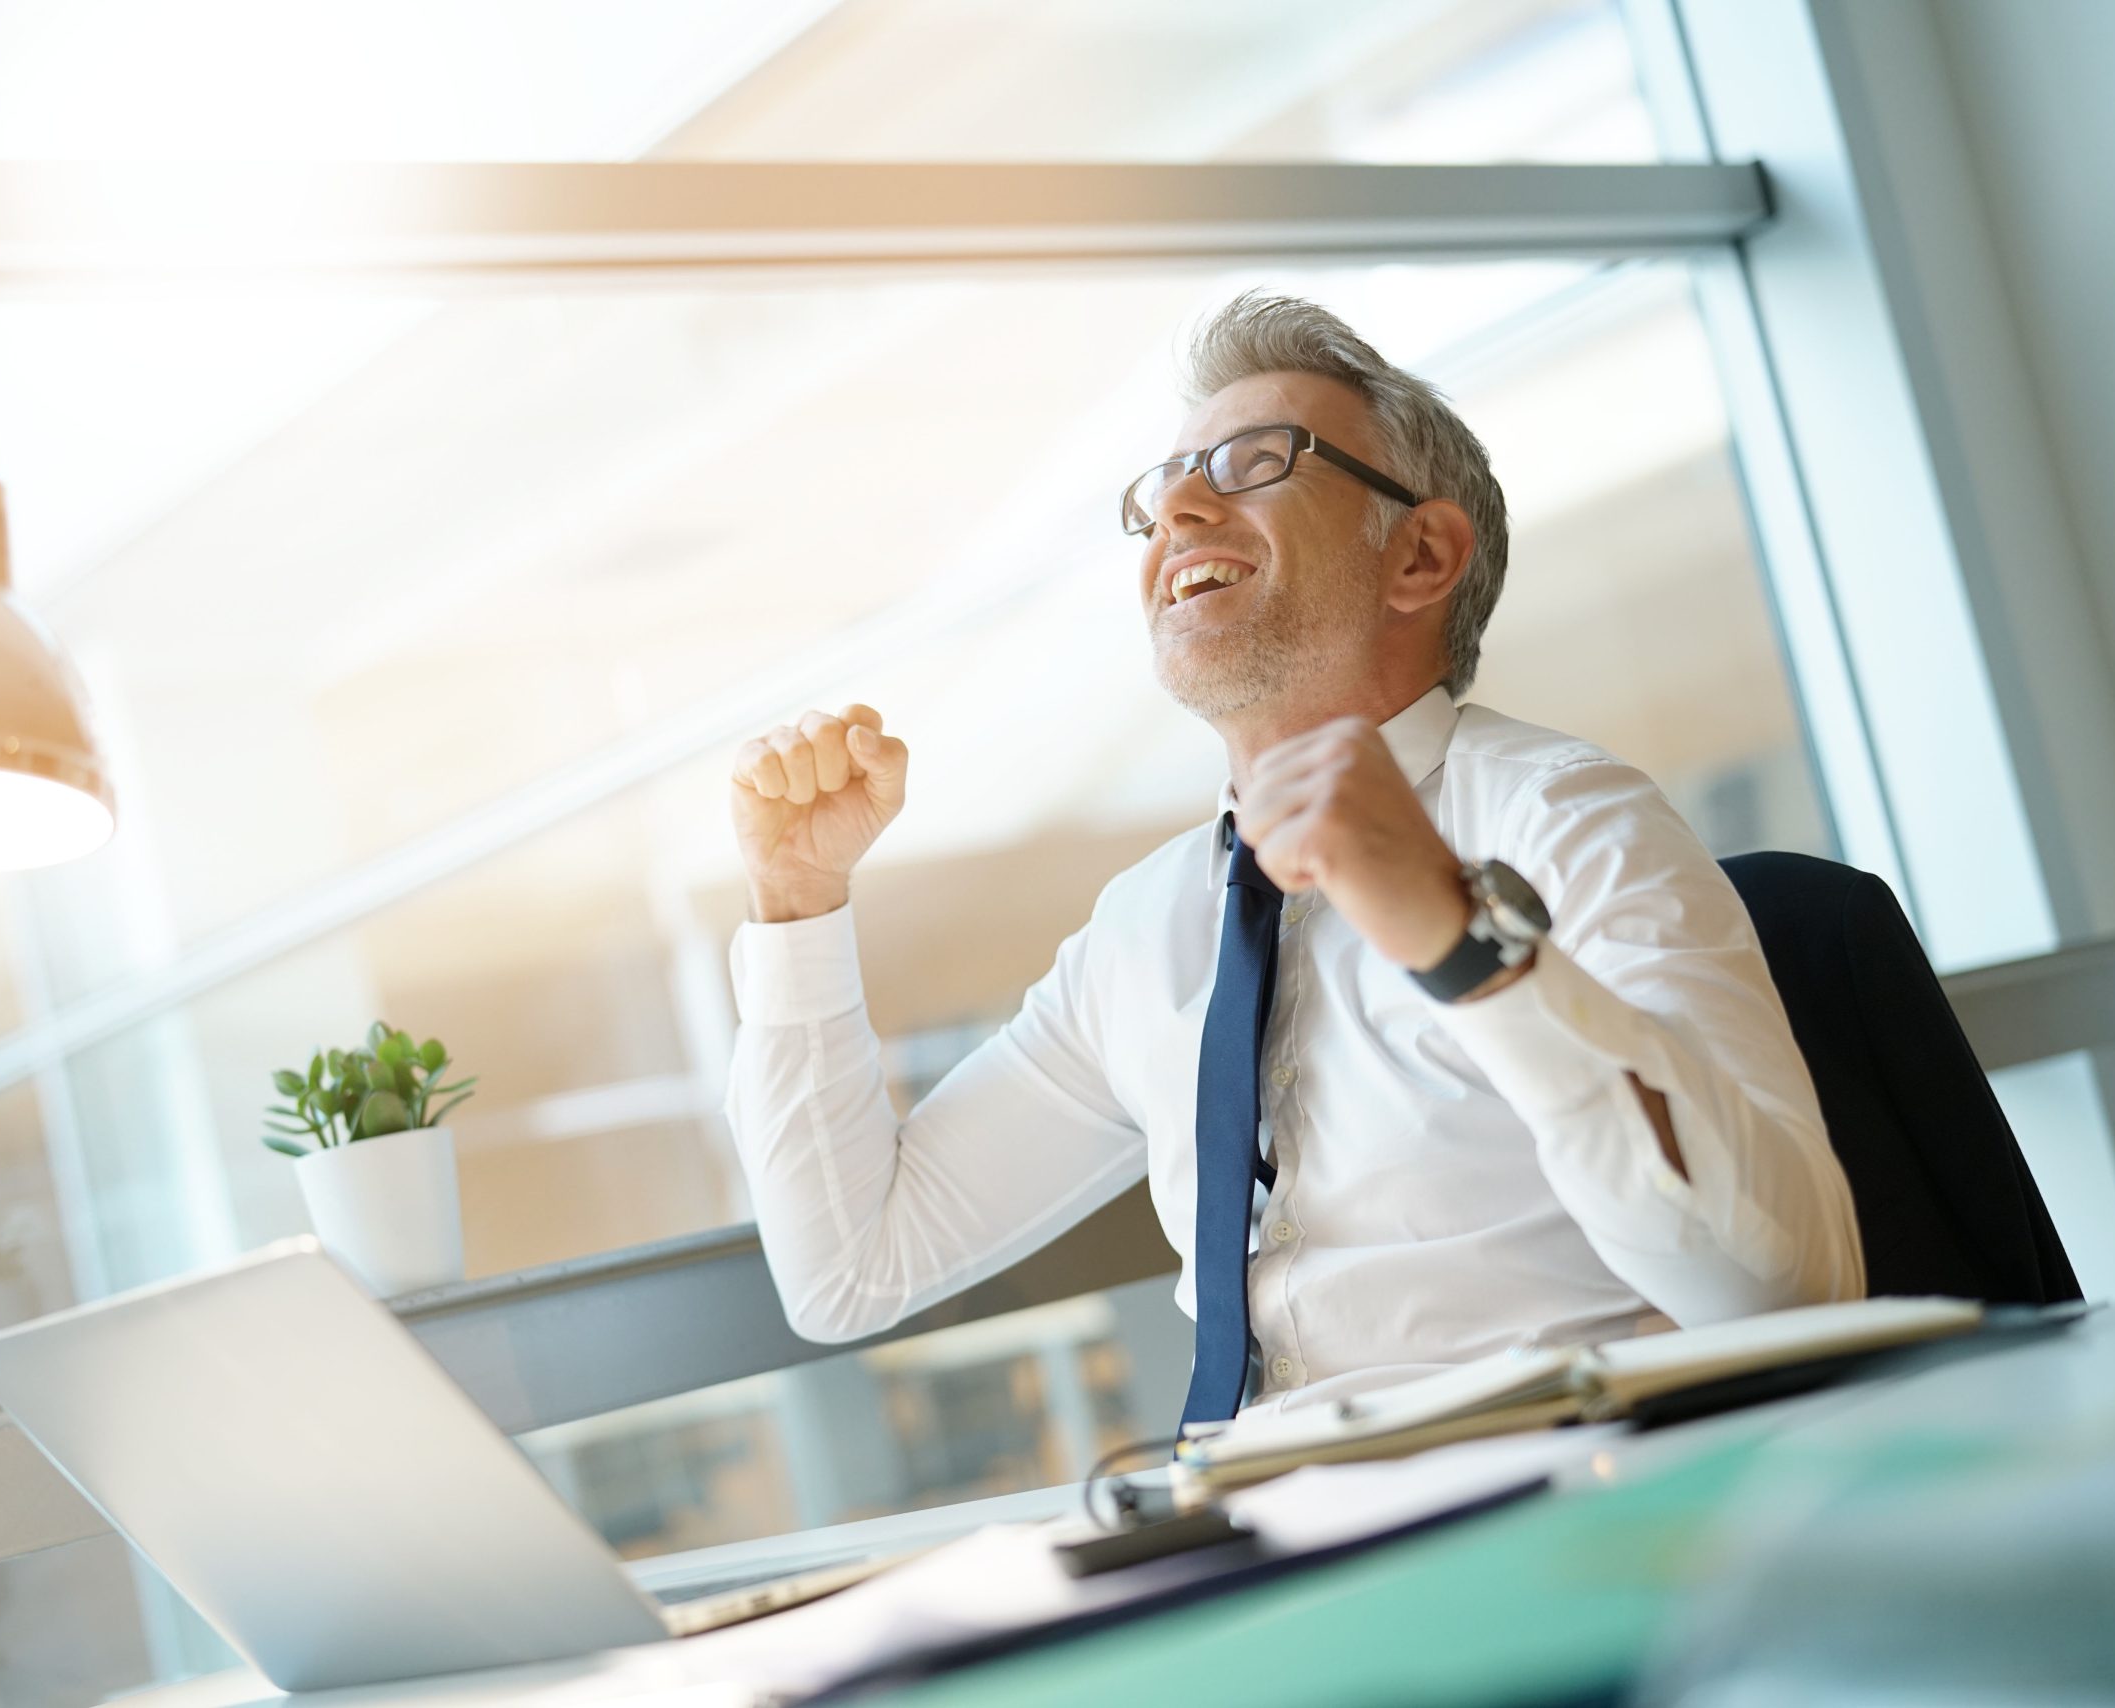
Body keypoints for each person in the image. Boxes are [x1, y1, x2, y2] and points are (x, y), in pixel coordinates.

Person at [721, 291, 1864, 1428]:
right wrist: (796, 903)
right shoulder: (1142, 929)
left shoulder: (1565, 820)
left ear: (1418, 555)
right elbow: (848, 1270)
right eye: (1161, 487)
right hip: (1264, 1529)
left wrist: (1458, 935)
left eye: (1254, 461)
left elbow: (1786, 1290)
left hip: (1556, 1492)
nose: (1174, 503)